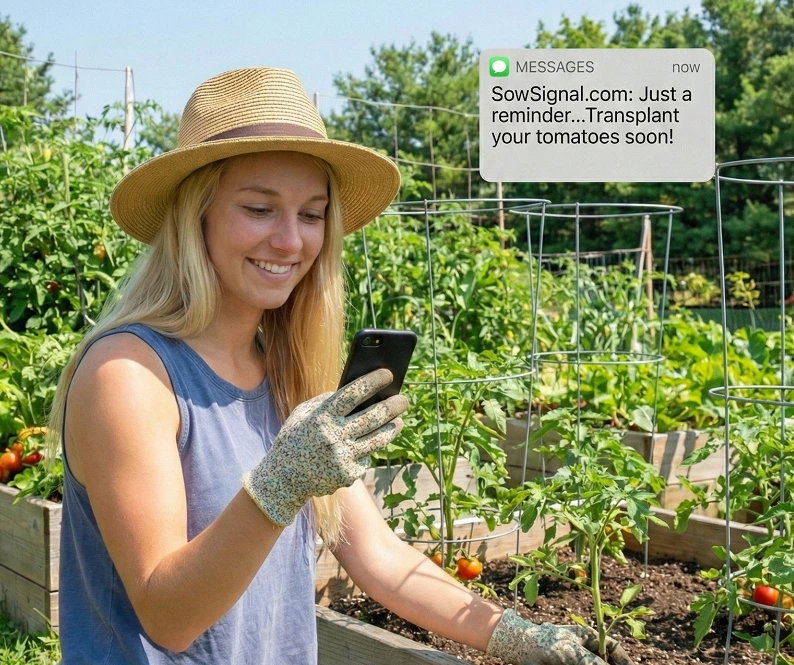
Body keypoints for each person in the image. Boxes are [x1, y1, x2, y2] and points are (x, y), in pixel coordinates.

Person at [45, 67, 632, 665]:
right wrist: (277, 486)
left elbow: (378, 558)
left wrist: (518, 635)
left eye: (312, 214)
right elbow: (167, 616)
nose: (291, 241)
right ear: (195, 215)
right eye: (259, 208)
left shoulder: (284, 375)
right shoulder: (129, 374)